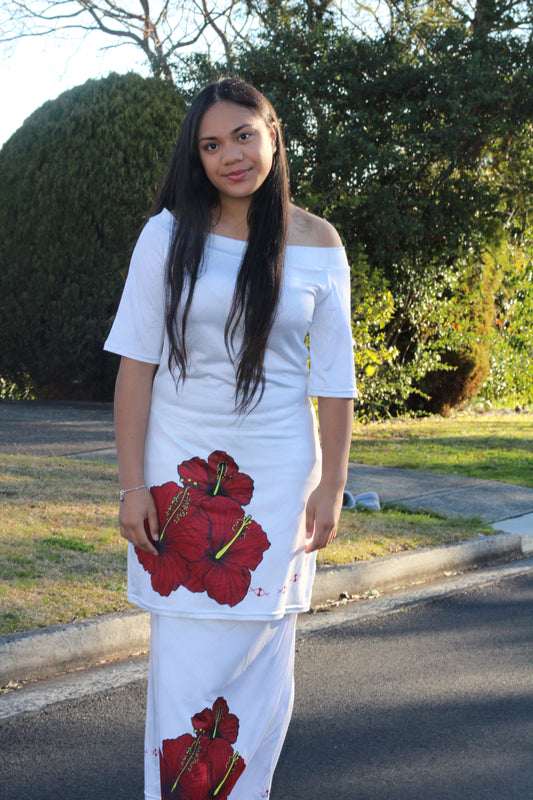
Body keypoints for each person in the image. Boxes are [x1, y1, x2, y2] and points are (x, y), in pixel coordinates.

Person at [104, 76, 356, 800]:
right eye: (210, 145)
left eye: (243, 135)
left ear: (272, 133)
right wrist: (129, 487)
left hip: (278, 484)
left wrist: (331, 486)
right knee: (184, 673)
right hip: (178, 484)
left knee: (259, 676)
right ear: (196, 158)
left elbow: (334, 384)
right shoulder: (166, 235)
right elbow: (134, 368)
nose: (231, 156)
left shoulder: (318, 243)